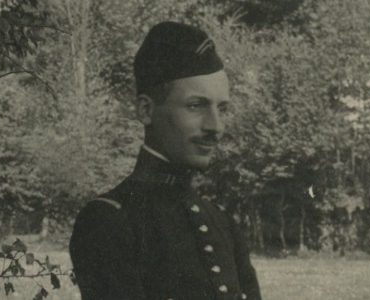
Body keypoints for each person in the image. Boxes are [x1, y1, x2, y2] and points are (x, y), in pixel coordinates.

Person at [69, 21, 262, 300]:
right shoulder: (109, 221)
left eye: (222, 108)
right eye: (196, 106)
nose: (215, 126)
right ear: (146, 110)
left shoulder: (221, 223)